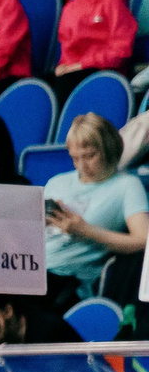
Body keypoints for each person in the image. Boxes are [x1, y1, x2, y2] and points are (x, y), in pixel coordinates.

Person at [42, 112, 149, 310]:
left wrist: (86, 231)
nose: (82, 166)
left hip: (67, 279)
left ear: (107, 149)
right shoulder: (56, 182)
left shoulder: (126, 185)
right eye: (75, 158)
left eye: (90, 156)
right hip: (34, 269)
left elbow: (143, 240)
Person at [55, 0, 135, 92]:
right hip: (75, 69)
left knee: (64, 85)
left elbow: (121, 50)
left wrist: (82, 64)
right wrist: (65, 65)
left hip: (104, 70)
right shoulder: (70, 8)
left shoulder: (113, 3)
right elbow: (67, 45)